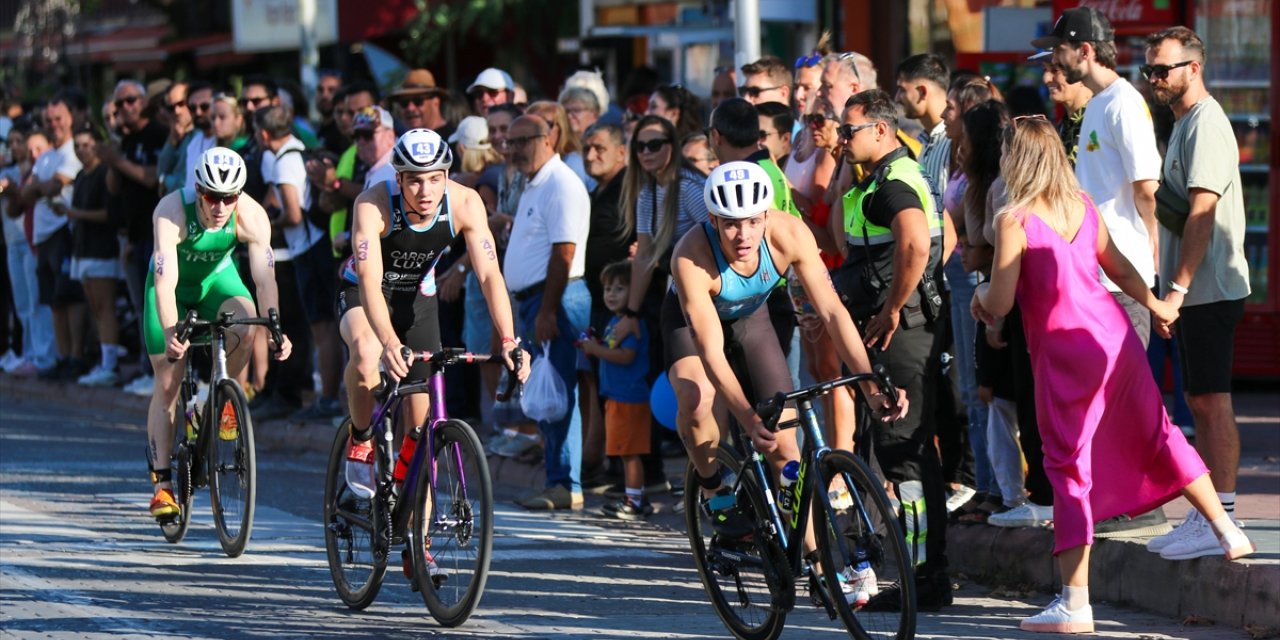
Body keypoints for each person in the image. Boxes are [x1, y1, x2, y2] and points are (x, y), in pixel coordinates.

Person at [971, 115, 1252, 634]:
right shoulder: (1082, 206)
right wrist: (1157, 306)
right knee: (1159, 431)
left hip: (1063, 353)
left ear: (1016, 160)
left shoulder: (1014, 219)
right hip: (1114, 335)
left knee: (1068, 467)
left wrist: (979, 299)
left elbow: (1003, 298)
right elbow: (1120, 269)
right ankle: (1226, 529)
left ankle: (1074, 603)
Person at [668, 161, 905, 605]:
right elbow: (711, 350)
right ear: (713, 221)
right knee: (698, 401)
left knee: (787, 449)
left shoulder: (791, 234)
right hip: (695, 326)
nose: (742, 236)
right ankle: (714, 491)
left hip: (752, 318)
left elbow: (832, 312)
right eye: (730, 225)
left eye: (752, 222)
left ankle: (818, 568)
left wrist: (870, 385)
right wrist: (746, 414)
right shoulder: (691, 256)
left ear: (766, 216)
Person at [340, 128, 526, 497]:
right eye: (414, 181)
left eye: (434, 180)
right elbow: (369, 281)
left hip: (419, 298)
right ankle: (360, 439)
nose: (425, 192)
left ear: (447, 176)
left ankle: (418, 544)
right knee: (365, 353)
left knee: (422, 430)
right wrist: (389, 342)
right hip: (366, 292)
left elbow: (489, 274)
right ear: (398, 179)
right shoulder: (371, 204)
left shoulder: (466, 203)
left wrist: (508, 339)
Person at [830, 89, 952, 611]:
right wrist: (841, 168)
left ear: (881, 130)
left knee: (905, 458)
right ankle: (917, 576)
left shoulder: (895, 182)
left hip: (902, 334)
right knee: (891, 451)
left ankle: (924, 581)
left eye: (849, 130)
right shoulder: (874, 180)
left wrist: (893, 308)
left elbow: (915, 244)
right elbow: (843, 239)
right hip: (887, 329)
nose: (841, 138)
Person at [1144, 26, 1252, 559]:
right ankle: (1211, 516)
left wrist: (1179, 288)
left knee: (1211, 401)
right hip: (1191, 289)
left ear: (1193, 68)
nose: (1155, 80)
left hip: (1207, 289)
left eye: (1162, 69)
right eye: (1150, 71)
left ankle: (1223, 519)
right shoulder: (1183, 122)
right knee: (1199, 400)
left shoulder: (1206, 124)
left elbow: (1202, 214)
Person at [144, 147, 293, 519]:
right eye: (212, 197)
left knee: (246, 323)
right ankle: (162, 485)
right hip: (171, 291)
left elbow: (264, 278)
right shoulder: (170, 211)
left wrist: (275, 326)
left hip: (216, 282)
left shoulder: (253, 216)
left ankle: (220, 397)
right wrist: (169, 329)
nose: (221, 207)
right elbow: (165, 282)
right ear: (198, 190)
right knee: (168, 381)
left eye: (229, 198)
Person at [504, 114, 592, 510]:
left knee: (558, 391)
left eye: (524, 140)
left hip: (554, 298)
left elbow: (565, 252)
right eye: (511, 142)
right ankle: (557, 478)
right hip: (537, 300)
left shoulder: (561, 184)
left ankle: (565, 483)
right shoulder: (535, 183)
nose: (515, 149)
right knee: (546, 390)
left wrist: (548, 311)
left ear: (549, 137)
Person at [256, 105, 344, 421]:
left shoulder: (283, 164)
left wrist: (266, 224)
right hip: (318, 244)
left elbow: (293, 214)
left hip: (310, 248)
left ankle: (328, 399)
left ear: (264, 133)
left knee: (322, 327)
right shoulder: (299, 151)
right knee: (326, 325)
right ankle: (329, 397)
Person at [102, 80, 169, 395]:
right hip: (133, 235)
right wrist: (113, 158)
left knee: (159, 305)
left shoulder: (156, 133)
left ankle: (158, 370)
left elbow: (152, 177)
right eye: (119, 104)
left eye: (130, 101)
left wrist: (120, 163)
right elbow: (115, 187)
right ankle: (147, 367)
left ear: (143, 102)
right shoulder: (125, 140)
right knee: (142, 306)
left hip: (158, 234)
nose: (124, 108)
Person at [579, 122, 632, 486]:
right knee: (600, 387)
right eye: (586, 148)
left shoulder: (629, 189)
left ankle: (625, 470)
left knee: (621, 391)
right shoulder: (597, 190)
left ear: (620, 152)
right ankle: (602, 461)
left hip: (623, 306)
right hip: (600, 302)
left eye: (599, 148)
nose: (590, 155)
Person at [581, 261, 652, 519]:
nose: (611, 294)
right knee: (624, 452)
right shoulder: (615, 320)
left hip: (629, 398)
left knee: (629, 452)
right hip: (617, 396)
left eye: (620, 289)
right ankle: (633, 496)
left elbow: (626, 356)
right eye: (608, 288)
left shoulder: (632, 324)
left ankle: (635, 500)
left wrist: (595, 350)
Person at [52, 129, 122, 386]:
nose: (82, 150)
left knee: (105, 308)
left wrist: (74, 213)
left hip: (102, 248)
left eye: (88, 145)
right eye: (78, 146)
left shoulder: (104, 173)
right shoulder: (81, 175)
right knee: (94, 308)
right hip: (82, 250)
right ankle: (103, 361)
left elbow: (108, 214)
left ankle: (110, 365)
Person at [24, 94, 85, 381]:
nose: (54, 125)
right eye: (49, 120)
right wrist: (37, 187)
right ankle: (61, 357)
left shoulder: (74, 152)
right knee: (53, 300)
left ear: (70, 118)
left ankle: (76, 355)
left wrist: (37, 187)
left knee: (70, 297)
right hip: (43, 235)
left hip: (65, 231)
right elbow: (29, 190)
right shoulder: (46, 156)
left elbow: (48, 187)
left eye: (58, 118)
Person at [389, 69, 452, 139]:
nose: (410, 108)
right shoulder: (400, 144)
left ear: (436, 101)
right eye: (404, 102)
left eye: (418, 101)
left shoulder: (454, 140)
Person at [754, 101, 793, 168]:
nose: (756, 141)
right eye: (752, 133)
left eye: (762, 135)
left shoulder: (794, 173)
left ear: (785, 139)